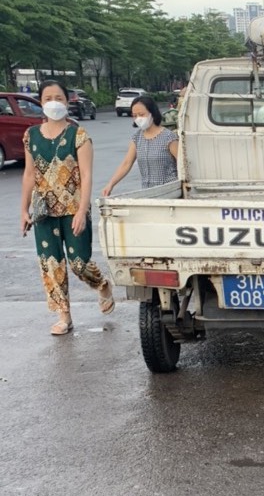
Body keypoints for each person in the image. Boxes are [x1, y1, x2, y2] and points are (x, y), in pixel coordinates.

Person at [20, 79, 113, 336]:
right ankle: (64, 315)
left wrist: (82, 210)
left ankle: (102, 285)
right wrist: (23, 210)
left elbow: (86, 175)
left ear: (67, 101)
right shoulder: (31, 136)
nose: (53, 103)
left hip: (74, 209)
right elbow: (29, 174)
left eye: (58, 98)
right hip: (44, 212)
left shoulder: (79, 135)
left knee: (78, 263)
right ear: (40, 103)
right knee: (51, 263)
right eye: (48, 98)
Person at [102, 95, 178, 195]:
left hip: (169, 192)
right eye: (135, 115)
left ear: (152, 113)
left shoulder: (169, 137)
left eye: (141, 114)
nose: (138, 118)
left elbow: (183, 165)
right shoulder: (137, 138)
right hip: (147, 193)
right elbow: (126, 163)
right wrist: (110, 184)